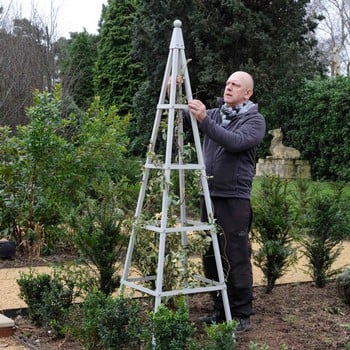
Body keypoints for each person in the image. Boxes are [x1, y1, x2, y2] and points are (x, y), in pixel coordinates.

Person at [174, 71, 266, 332]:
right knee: (211, 254)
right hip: (208, 194)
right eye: (227, 83)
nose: (228, 87)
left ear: (247, 93)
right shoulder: (215, 115)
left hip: (234, 199)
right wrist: (175, 92)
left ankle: (240, 314)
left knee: (234, 255)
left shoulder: (255, 121)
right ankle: (220, 308)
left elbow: (234, 142)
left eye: (234, 85)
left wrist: (204, 120)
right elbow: (180, 118)